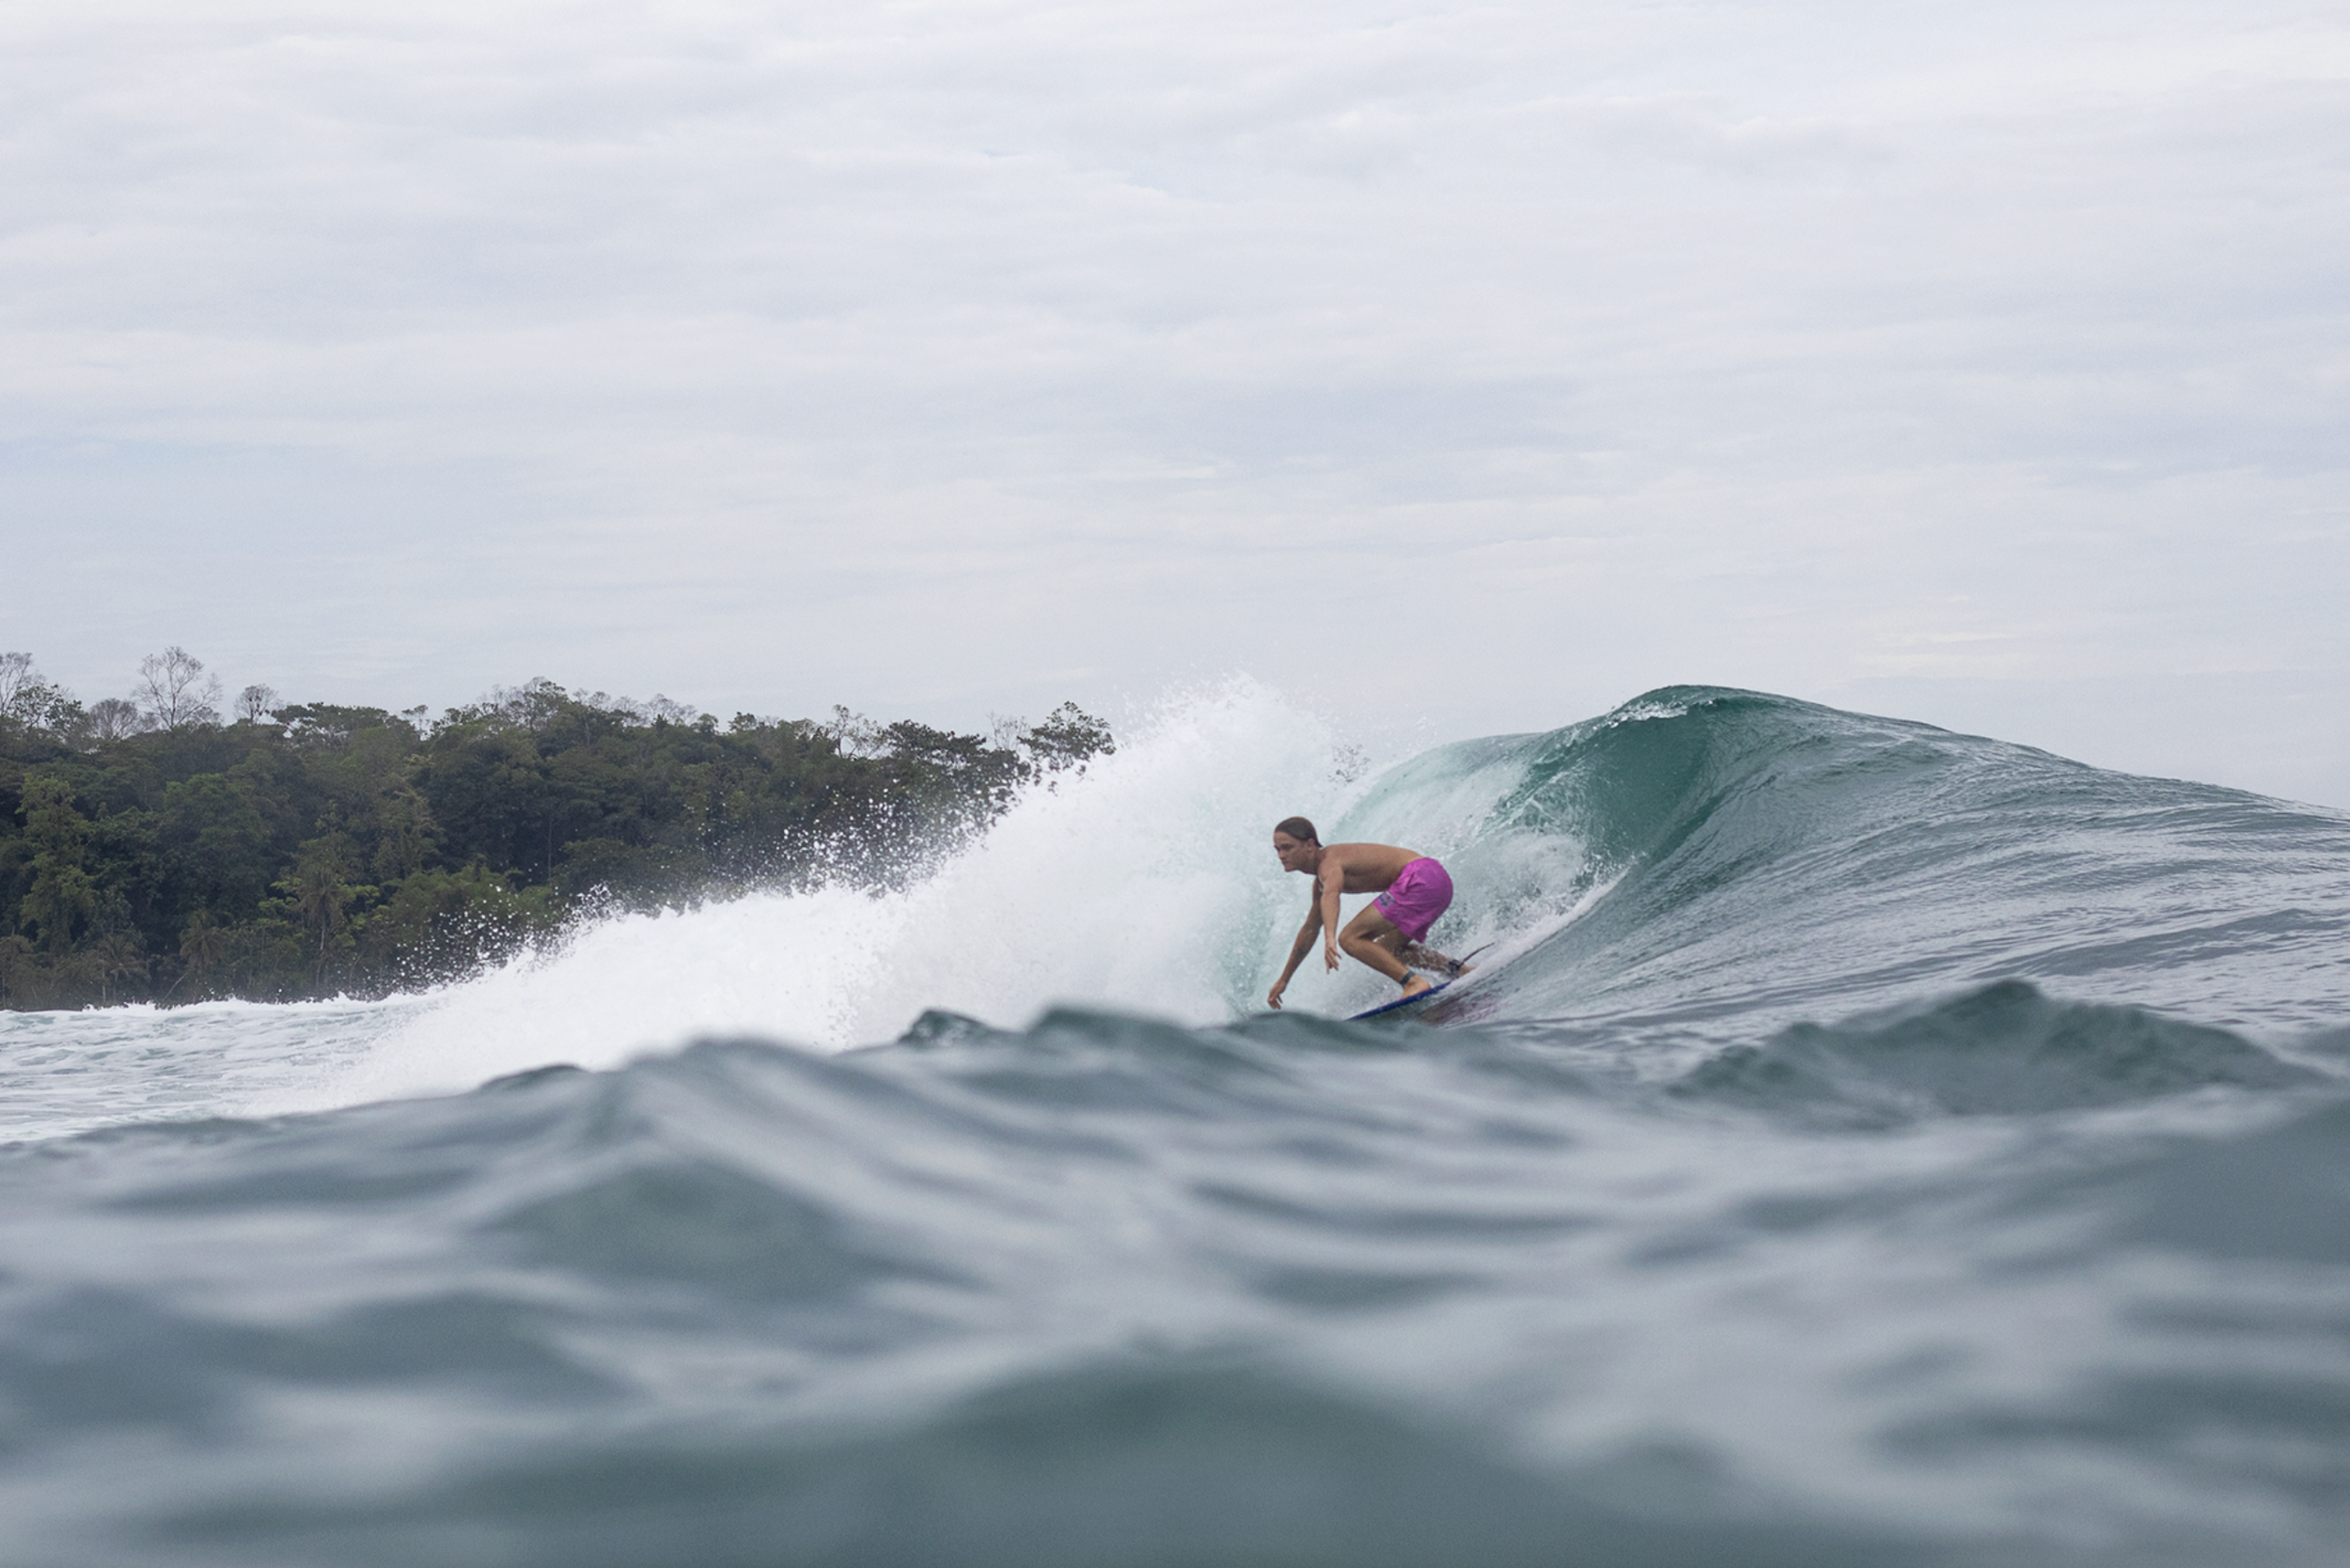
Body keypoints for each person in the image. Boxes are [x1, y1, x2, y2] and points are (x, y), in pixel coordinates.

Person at [1264, 816, 1465, 1010]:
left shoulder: (1328, 861)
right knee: (1386, 951)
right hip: (1437, 881)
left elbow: (1332, 894)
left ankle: (1413, 983)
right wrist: (1284, 980)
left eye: (1287, 848)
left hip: (1420, 878)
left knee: (1350, 938)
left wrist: (1331, 939)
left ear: (1309, 845)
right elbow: (1309, 930)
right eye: (1278, 849)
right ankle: (1458, 969)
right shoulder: (1320, 882)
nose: (1281, 855)